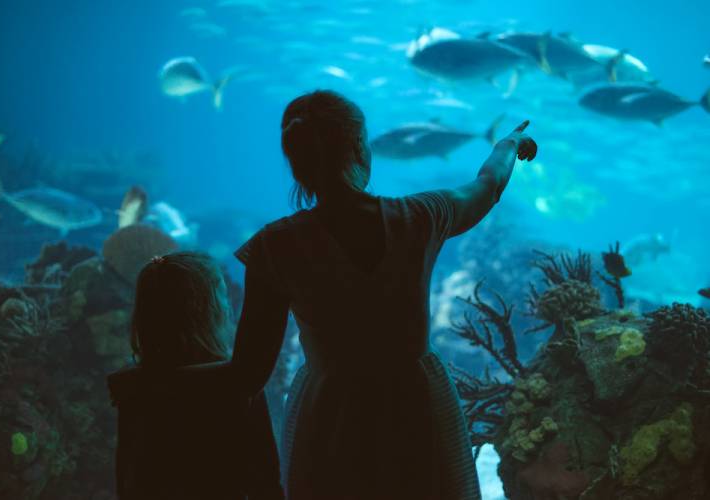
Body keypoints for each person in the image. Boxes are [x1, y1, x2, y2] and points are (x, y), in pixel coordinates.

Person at [180, 90, 537, 500]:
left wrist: (160, 381)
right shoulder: (419, 218)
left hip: (331, 416)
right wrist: (507, 144)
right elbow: (487, 185)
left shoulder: (275, 246)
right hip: (416, 407)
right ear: (358, 149)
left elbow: (247, 373)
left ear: (296, 164)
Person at [107, 252, 284, 500]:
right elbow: (266, 478)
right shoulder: (238, 383)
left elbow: (127, 477)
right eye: (222, 295)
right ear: (207, 310)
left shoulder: (132, 388)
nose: (228, 304)